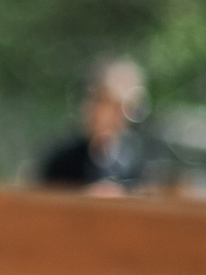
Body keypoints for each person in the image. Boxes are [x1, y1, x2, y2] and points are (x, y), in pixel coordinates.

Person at [40, 55, 149, 195]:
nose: (118, 114)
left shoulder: (140, 162)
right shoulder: (63, 162)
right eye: (107, 102)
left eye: (127, 106)